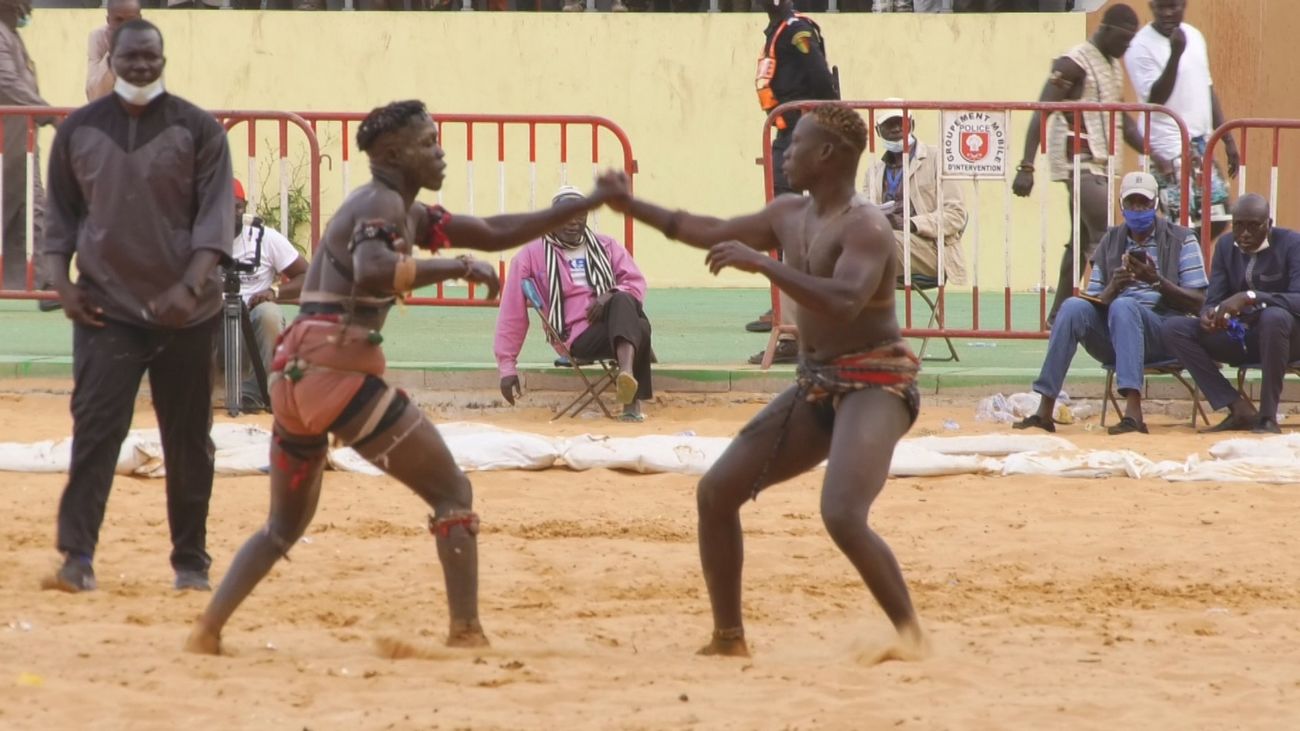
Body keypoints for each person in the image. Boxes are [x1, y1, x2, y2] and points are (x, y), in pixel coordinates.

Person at [185, 100, 621, 655]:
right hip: (333, 370)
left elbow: (490, 230)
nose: (441, 152)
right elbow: (373, 269)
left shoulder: (400, 209)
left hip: (296, 375)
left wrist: (583, 206)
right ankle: (466, 633)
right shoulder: (382, 203)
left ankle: (208, 628)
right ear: (392, 153)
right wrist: (457, 267)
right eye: (429, 142)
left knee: (281, 527)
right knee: (452, 491)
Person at [601, 104, 926, 660]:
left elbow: (846, 302)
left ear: (827, 154)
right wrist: (633, 205)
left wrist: (764, 266)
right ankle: (729, 637)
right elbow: (707, 230)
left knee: (842, 513)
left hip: (877, 384)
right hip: (818, 383)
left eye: (796, 144)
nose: (785, 153)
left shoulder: (866, 226)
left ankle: (913, 639)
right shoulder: (787, 213)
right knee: (716, 493)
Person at [42, 20, 233, 593]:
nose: (142, 66)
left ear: (163, 57)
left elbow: (214, 222)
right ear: (113, 60)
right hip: (107, 312)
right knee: (96, 431)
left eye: (152, 57)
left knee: (188, 440)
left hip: (187, 316)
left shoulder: (198, 129)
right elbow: (59, 222)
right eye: (132, 57)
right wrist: (63, 285)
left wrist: (189, 286)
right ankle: (77, 558)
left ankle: (191, 564)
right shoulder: (78, 130)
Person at [1013, 171, 1206, 435]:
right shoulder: (1111, 241)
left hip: (1162, 331)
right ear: (1121, 206)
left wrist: (1156, 281)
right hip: (1116, 334)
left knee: (1125, 307)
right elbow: (1095, 301)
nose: (1138, 209)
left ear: (1155, 205)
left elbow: (1198, 302)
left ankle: (1133, 414)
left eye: (1144, 203)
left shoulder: (1182, 239)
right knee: (1072, 306)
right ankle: (1044, 410)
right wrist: (1113, 288)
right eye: (1131, 203)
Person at [1012, 4, 1157, 327]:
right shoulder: (1074, 61)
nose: (1126, 47)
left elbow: (1123, 121)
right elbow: (1042, 109)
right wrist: (1026, 165)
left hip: (1102, 165)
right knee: (1108, 234)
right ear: (1104, 29)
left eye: (1131, 41)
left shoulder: (1112, 67)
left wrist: (1155, 154)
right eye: (1123, 39)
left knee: (1079, 243)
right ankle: (1113, 312)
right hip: (1079, 163)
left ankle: (1056, 317)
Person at [494, 186, 653, 422]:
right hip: (575, 336)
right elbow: (512, 313)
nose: (573, 222)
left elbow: (635, 283)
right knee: (640, 328)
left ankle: (626, 374)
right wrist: (507, 367)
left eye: (580, 215)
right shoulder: (531, 255)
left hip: (614, 324)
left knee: (622, 298)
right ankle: (629, 396)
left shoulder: (607, 246)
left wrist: (607, 295)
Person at [746, 0, 838, 365]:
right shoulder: (778, 30)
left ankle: (799, 325)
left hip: (802, 135)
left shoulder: (796, 30)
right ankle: (786, 311)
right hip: (789, 134)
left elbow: (818, 81)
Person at [1162, 194, 1300, 434]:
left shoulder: (1292, 244)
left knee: (1274, 317)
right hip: (1242, 335)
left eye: (1253, 226)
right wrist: (1209, 315)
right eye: (1238, 226)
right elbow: (1213, 299)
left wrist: (1251, 297)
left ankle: (1268, 417)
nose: (1244, 234)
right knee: (1175, 328)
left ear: (1269, 223)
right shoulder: (1226, 246)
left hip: (1287, 338)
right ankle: (1238, 408)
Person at [1125, 0, 1237, 237]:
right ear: (1151, 6)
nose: (1167, 13)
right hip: (1166, 148)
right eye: (1161, 7)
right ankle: (1177, 269)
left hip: (1200, 144)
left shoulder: (1194, 36)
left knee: (1218, 218)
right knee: (1180, 223)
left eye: (1173, 6)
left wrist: (1226, 139)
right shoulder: (1139, 46)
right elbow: (1155, 99)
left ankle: (1184, 268)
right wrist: (1175, 54)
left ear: (1184, 5)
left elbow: (1208, 89)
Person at [862, 103, 968, 286]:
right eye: (889, 124)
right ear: (878, 131)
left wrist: (910, 224)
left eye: (900, 123)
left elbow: (956, 215)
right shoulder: (874, 172)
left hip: (932, 249)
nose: (896, 128)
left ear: (911, 125)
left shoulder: (937, 159)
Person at [226, 178, 308, 412]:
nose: (232, 214)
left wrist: (274, 291)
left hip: (251, 330)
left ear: (244, 208)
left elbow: (307, 276)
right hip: (213, 330)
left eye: (238, 207)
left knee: (269, 313)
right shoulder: (198, 237)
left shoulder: (266, 238)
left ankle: (258, 392)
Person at [0, 0, 51, 300]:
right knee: (28, 210)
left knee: (32, 210)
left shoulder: (11, 36)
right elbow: (7, 83)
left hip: (21, 144)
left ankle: (42, 283)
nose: (29, 8)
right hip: (8, 147)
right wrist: (47, 113)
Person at [85, 0, 141, 102]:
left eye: (131, 20)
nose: (125, 27)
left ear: (140, 19)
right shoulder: (98, 37)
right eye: (119, 20)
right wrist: (112, 51)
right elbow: (93, 96)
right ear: (108, 20)